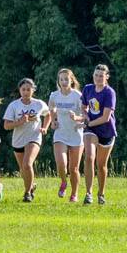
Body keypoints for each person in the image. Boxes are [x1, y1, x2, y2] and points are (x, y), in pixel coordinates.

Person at [3, 78, 50, 202]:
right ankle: (31, 185)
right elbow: (6, 125)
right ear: (19, 90)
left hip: (34, 137)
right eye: (23, 89)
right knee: (23, 169)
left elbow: (48, 114)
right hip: (18, 139)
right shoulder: (14, 105)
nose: (26, 92)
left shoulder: (39, 104)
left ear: (33, 90)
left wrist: (45, 127)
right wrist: (20, 122)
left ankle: (27, 193)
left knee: (27, 164)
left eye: (28, 89)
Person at [81, 63, 117, 205]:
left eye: (101, 76)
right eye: (96, 75)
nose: (98, 78)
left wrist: (89, 123)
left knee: (101, 165)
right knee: (89, 157)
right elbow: (83, 107)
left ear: (106, 77)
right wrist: (85, 116)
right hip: (91, 130)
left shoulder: (109, 92)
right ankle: (88, 193)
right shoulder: (88, 89)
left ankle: (101, 194)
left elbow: (105, 117)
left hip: (106, 131)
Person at [47, 68, 85, 202]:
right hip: (60, 134)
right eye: (61, 79)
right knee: (61, 164)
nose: (64, 82)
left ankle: (74, 194)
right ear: (58, 81)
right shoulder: (54, 95)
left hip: (75, 134)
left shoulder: (77, 95)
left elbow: (84, 116)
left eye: (66, 79)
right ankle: (63, 182)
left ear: (71, 80)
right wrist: (53, 122)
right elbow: (51, 109)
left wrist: (77, 118)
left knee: (73, 169)